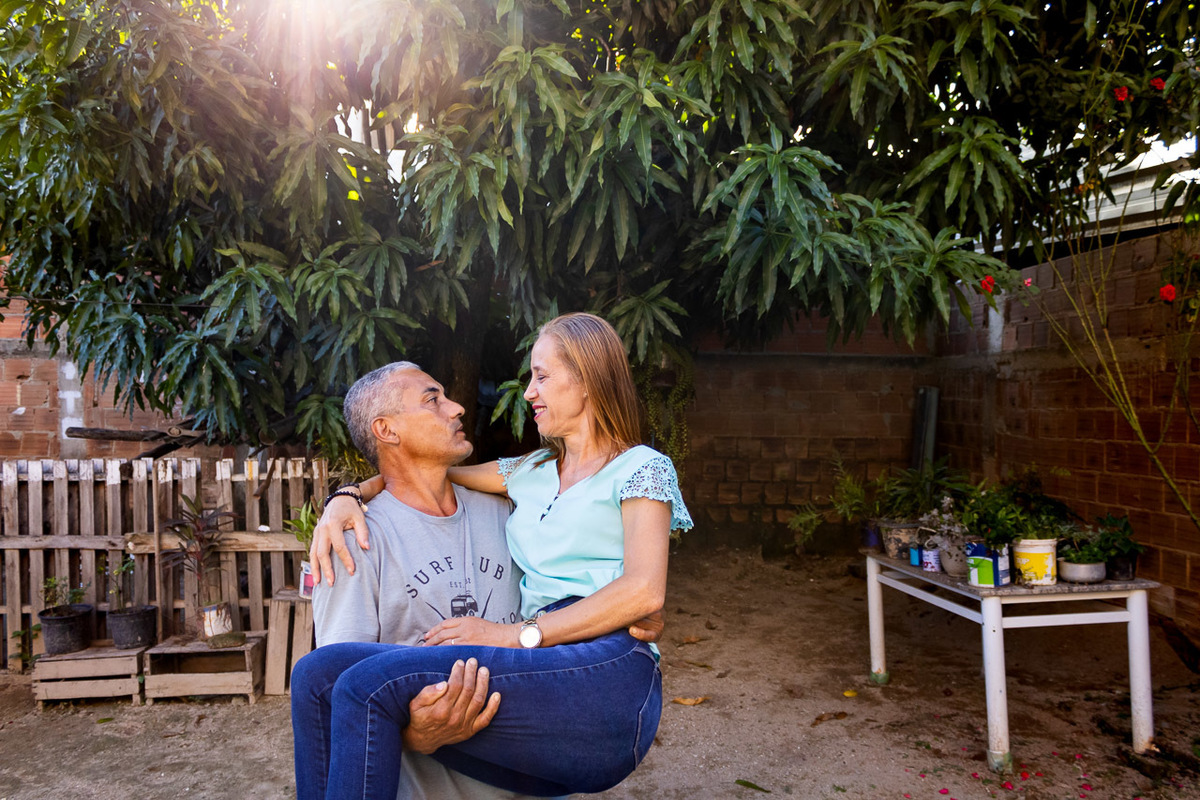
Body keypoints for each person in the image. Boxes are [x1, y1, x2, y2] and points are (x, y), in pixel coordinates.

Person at [292, 312, 692, 799]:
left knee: (365, 685)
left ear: (588, 379)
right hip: (543, 668)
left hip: (602, 662)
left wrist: (513, 635)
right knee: (313, 675)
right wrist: (347, 495)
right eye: (531, 377)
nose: (528, 392)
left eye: (541, 376)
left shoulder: (640, 468)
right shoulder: (530, 474)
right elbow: (423, 473)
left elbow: (644, 590)